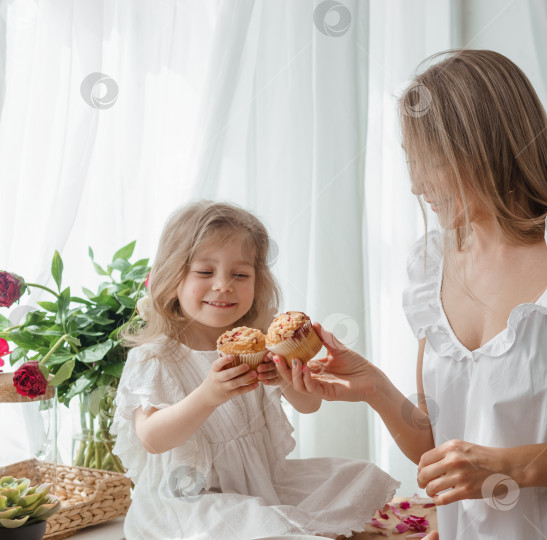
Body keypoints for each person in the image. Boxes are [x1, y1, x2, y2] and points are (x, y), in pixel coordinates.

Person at [274, 50, 547, 539]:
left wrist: (511, 466)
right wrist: (376, 389)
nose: (415, 185)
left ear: (482, 149)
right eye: (411, 162)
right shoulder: (433, 269)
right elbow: (442, 447)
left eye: (428, 162)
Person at [112, 201, 399, 539]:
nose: (223, 285)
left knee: (355, 475)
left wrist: (288, 380)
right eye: (205, 272)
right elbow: (152, 439)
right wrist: (207, 396)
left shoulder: (263, 345)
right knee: (247, 521)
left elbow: (310, 405)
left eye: (241, 274)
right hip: (193, 499)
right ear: (173, 277)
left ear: (258, 282)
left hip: (264, 484)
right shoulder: (157, 356)